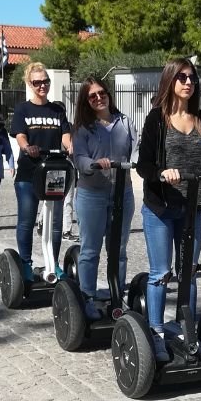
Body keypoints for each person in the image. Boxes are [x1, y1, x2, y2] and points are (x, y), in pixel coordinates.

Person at [136, 58, 201, 361]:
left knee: (188, 273)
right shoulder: (157, 119)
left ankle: (184, 328)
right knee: (161, 273)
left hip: (193, 207)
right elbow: (144, 165)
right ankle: (155, 332)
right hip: (161, 208)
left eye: (192, 78)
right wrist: (162, 173)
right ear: (170, 80)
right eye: (182, 77)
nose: (188, 82)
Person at [71, 77, 139, 321]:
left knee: (118, 249)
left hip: (123, 191)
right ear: (86, 101)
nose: (99, 98)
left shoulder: (124, 122)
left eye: (102, 93)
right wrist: (92, 164)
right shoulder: (83, 128)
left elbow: (136, 146)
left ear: (108, 94)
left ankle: (116, 296)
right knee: (90, 249)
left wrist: (139, 161)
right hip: (92, 193)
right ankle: (87, 297)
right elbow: (78, 157)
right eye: (92, 96)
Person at [9, 63, 72, 281]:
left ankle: (52, 263)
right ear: (30, 84)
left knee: (55, 222)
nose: (42, 85)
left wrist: (70, 146)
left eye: (45, 81)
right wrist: (27, 147)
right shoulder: (22, 109)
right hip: (29, 172)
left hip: (54, 172)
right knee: (27, 220)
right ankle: (25, 263)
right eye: (37, 82)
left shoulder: (57, 110)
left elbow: (65, 134)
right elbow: (19, 135)